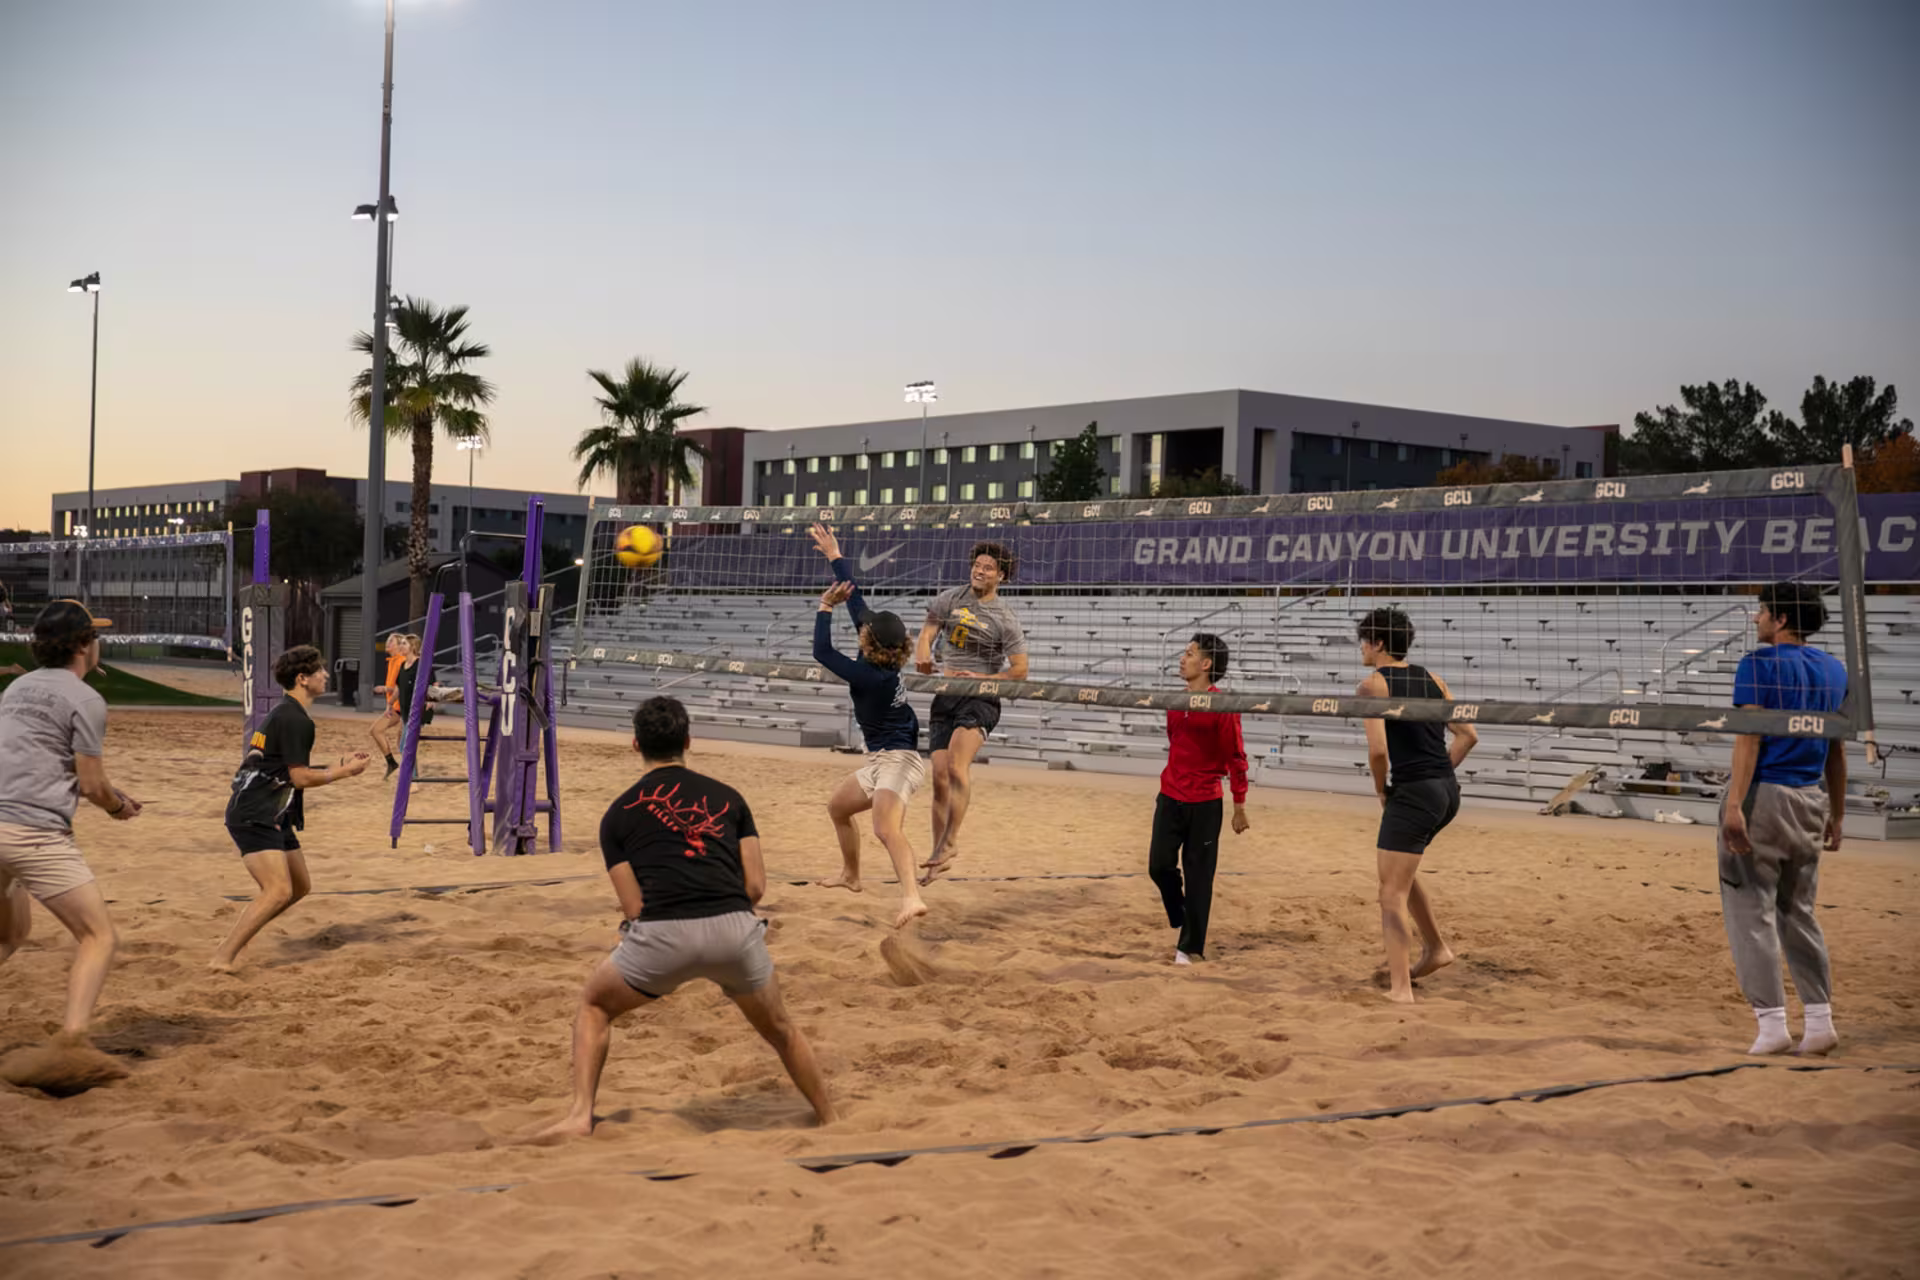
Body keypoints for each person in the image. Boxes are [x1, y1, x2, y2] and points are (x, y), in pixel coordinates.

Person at [537, 695, 835, 1137]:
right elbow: (756, 887)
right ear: (688, 742)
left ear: (635, 745)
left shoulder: (617, 815)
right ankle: (830, 1118)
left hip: (663, 934)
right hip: (733, 929)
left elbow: (634, 908)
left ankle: (581, 1114)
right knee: (782, 1030)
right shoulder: (730, 798)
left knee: (595, 1004)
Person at [0, 600, 140, 1043]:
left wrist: (110, 792)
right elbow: (92, 786)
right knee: (99, 937)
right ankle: (72, 1043)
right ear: (82, 645)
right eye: (95, 636)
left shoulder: (17, 688)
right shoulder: (86, 698)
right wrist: (116, 807)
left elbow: (36, 763)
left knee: (8, 937)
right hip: (34, 835)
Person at [1718, 581, 1847, 1057]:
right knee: (1800, 912)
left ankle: (1772, 1026)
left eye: (1761, 610)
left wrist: (1734, 804)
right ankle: (1820, 1022)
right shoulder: (1835, 669)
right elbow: (1837, 749)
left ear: (1782, 618)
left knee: (1751, 913)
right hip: (1811, 798)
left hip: (1765, 796)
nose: (1756, 618)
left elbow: (1749, 738)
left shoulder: (1758, 664)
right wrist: (1837, 811)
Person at [210, 645, 369, 972]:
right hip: (255, 813)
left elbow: (284, 769)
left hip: (272, 811)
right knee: (278, 891)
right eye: (319, 670)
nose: (326, 675)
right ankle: (223, 957)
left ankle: (244, 931)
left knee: (299, 887)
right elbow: (299, 778)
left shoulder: (286, 713)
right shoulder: (295, 719)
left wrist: (339, 764)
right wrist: (343, 773)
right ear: (302, 679)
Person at [805, 524, 928, 929]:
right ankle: (851, 875)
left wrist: (825, 606)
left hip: (900, 760)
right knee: (838, 808)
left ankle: (912, 897)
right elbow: (857, 599)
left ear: (868, 642)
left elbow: (822, 651)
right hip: (880, 758)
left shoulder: (869, 677)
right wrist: (835, 556)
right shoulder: (882, 653)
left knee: (886, 829)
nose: (862, 623)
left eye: (865, 627)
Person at [1356, 607, 1475, 1004]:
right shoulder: (1434, 679)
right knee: (1401, 875)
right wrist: (1438, 776)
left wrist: (1381, 790)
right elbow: (1468, 736)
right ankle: (1436, 949)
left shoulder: (1373, 685)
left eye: (1364, 641)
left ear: (1378, 643)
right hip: (1447, 792)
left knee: (1389, 891)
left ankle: (1400, 990)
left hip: (1415, 793)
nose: (1361, 648)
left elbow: (1378, 752)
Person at [913, 540, 1028, 884]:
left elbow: (1020, 671)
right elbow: (927, 633)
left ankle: (950, 841)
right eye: (977, 565)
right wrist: (922, 654)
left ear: (1001, 576)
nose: (980, 571)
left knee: (955, 766)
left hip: (981, 697)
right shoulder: (950, 598)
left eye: (988, 568)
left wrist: (982, 679)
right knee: (938, 776)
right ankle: (938, 855)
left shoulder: (1005, 618)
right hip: (947, 693)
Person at [1149, 634, 1250, 965]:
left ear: (1206, 664)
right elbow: (1175, 742)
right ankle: (1180, 914)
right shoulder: (1175, 702)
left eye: (1190, 654)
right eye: (1184, 652)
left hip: (1205, 803)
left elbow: (1236, 757)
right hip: (1170, 795)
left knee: (1199, 877)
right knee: (1159, 866)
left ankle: (1189, 948)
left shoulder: (1223, 706)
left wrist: (1239, 806)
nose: (1183, 658)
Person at [368, 633, 407, 778]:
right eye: (388, 640)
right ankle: (391, 763)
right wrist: (388, 704)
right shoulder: (392, 661)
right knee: (375, 730)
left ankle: (410, 774)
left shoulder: (402, 661)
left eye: (391, 641)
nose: (388, 643)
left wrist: (385, 689)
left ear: (399, 646)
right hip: (395, 707)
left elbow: (400, 686)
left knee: (402, 742)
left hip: (405, 707)